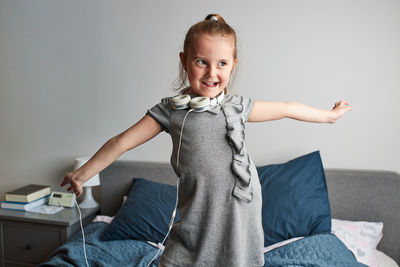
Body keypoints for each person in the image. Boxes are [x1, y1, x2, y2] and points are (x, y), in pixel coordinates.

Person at [61, 14, 352, 267]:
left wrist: (328, 116)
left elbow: (287, 107)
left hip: (241, 206)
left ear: (233, 65)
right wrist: (82, 174)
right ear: (184, 61)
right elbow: (120, 142)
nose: (212, 73)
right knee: (183, 255)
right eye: (202, 62)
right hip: (199, 208)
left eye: (222, 64)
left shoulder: (238, 106)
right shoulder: (171, 111)